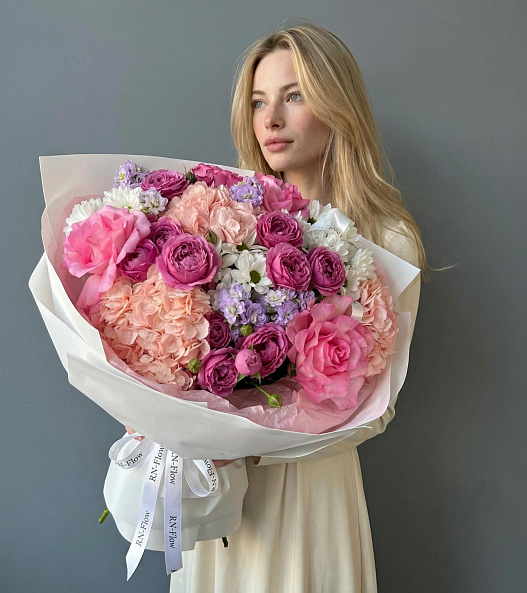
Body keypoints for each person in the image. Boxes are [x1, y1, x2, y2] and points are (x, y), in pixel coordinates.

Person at [136, 20, 434, 593]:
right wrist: (171, 416)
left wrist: (246, 438)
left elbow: (378, 410)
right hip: (224, 496)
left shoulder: (388, 240)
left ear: (336, 104)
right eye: (258, 101)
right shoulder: (220, 221)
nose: (270, 119)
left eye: (293, 96)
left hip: (312, 498)